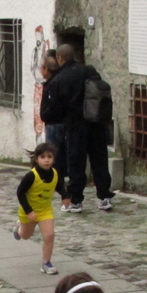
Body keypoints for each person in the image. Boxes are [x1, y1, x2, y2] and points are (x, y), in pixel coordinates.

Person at [51, 45, 114, 213]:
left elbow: (57, 107)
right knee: (99, 159)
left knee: (76, 161)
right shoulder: (89, 70)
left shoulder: (60, 78)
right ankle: (104, 197)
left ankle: (76, 200)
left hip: (75, 125)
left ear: (60, 58)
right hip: (96, 121)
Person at [12, 143, 60, 275]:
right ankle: (18, 228)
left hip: (45, 211)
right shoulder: (31, 176)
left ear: (53, 159)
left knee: (49, 235)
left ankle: (46, 263)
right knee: (25, 236)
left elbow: (59, 186)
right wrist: (29, 211)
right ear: (37, 159)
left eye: (49, 157)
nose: (46, 160)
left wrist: (66, 196)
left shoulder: (55, 173)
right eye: (43, 157)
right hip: (29, 211)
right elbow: (20, 193)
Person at [39, 53, 70, 211]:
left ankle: (59, 187)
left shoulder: (53, 84)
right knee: (58, 156)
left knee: (54, 157)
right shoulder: (54, 82)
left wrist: (45, 114)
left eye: (42, 67)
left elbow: (54, 105)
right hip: (57, 123)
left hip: (55, 124)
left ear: (46, 69)